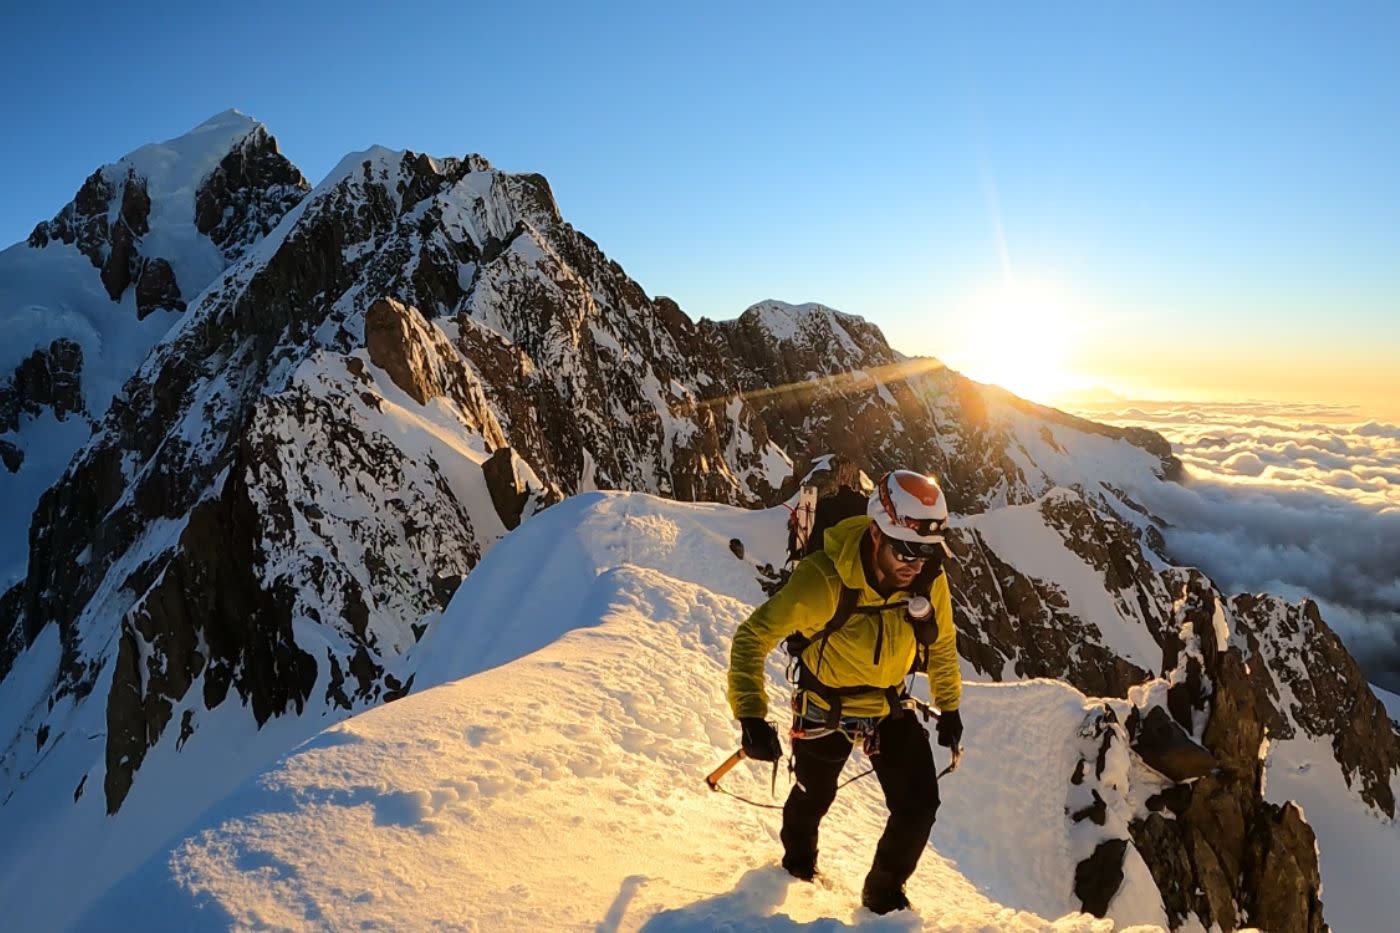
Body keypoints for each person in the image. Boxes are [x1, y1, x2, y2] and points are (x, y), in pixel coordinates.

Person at [726, 469, 962, 915]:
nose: (916, 564)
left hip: (887, 702)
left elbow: (943, 643)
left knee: (919, 806)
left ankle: (882, 898)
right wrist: (751, 716)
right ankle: (796, 866)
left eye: (928, 553)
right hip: (824, 704)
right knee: (814, 794)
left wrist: (949, 706)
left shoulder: (930, 580)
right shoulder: (822, 581)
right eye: (906, 550)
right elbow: (751, 639)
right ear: (876, 535)